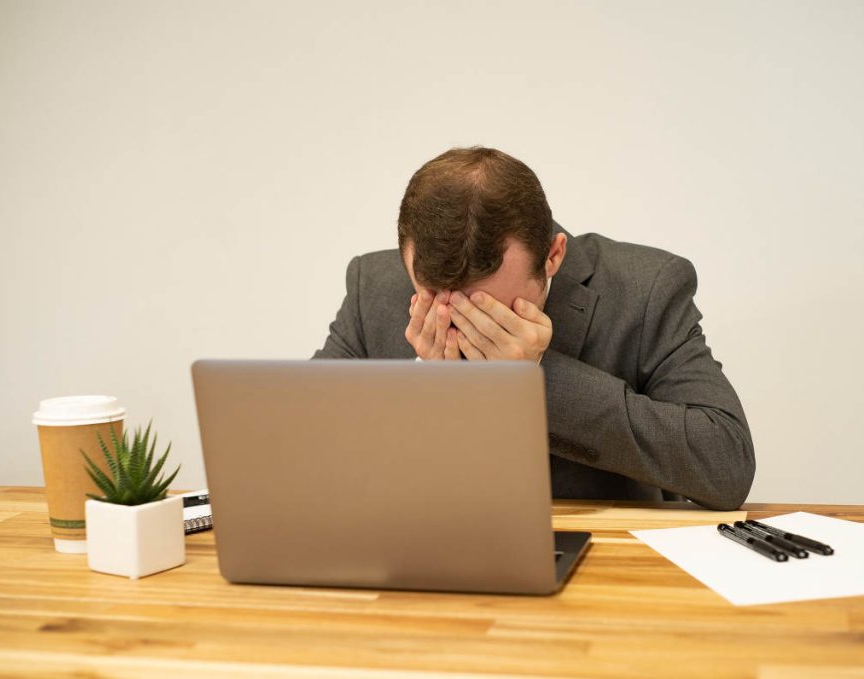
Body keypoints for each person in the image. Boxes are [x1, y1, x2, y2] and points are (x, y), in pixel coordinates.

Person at [313, 147, 754, 511]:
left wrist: (538, 375)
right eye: (436, 299)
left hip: (600, 565)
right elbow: (301, 443)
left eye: (490, 308)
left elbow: (726, 465)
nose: (463, 321)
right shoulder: (373, 286)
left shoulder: (644, 289)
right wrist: (421, 388)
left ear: (553, 257)